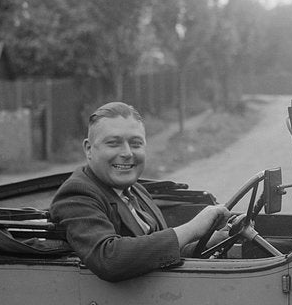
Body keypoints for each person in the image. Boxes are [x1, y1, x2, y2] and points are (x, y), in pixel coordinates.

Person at [50, 102, 231, 282]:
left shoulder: (135, 190)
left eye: (136, 144)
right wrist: (192, 229)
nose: (127, 153)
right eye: (113, 144)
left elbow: (158, 253)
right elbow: (108, 258)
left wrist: (211, 240)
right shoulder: (77, 193)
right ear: (89, 149)